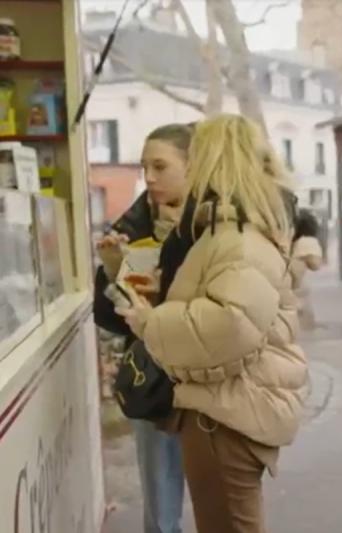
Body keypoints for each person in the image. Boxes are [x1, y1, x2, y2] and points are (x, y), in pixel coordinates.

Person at [116, 114, 308, 533]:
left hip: (224, 416)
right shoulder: (235, 229)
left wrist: (151, 321)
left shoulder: (235, 237)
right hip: (227, 410)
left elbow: (230, 325)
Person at [93, 123, 192, 533]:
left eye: (160, 166)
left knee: (221, 503)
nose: (149, 177)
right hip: (154, 378)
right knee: (162, 502)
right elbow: (109, 314)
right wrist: (116, 273)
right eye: (143, 166)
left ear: (193, 168)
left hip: (216, 376)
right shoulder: (132, 226)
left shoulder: (220, 221)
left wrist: (177, 248)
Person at [290, 208, 324, 330]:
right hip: (298, 291)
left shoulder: (287, 240)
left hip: (283, 290)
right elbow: (316, 264)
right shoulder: (308, 242)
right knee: (305, 326)